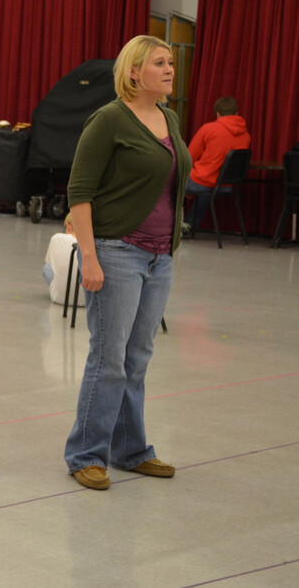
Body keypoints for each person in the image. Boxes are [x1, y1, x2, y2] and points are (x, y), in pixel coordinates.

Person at [63, 35, 192, 491]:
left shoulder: (169, 118)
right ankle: (86, 453)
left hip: (160, 258)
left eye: (172, 62)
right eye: (160, 62)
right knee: (109, 360)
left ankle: (130, 450)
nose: (170, 69)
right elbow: (79, 192)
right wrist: (91, 259)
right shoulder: (109, 119)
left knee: (137, 358)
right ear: (134, 71)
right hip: (117, 253)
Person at [183, 96, 251, 233]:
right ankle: (188, 226)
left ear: (217, 113)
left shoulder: (209, 129)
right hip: (226, 186)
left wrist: (185, 185)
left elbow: (187, 158)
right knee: (206, 188)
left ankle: (164, 227)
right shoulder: (246, 135)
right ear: (236, 113)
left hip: (202, 182)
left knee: (169, 180)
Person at [42, 213, 77, 304]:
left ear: (68, 226)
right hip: (86, 301)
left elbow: (50, 263)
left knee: (47, 268)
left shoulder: (56, 238)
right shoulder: (93, 242)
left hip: (58, 299)